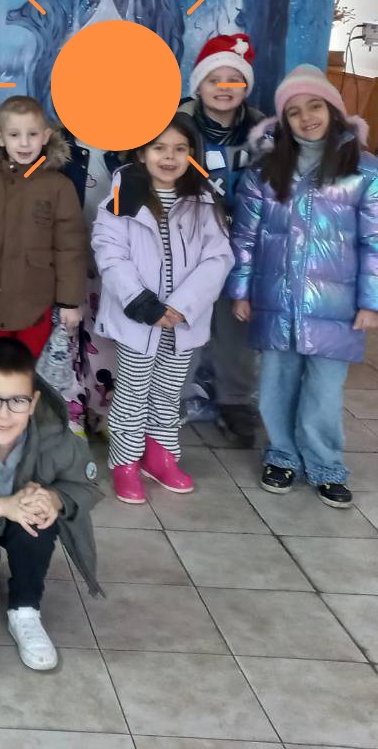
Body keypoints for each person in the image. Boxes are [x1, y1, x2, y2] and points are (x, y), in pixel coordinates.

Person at [229, 64, 378, 509]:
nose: (306, 117)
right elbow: (245, 238)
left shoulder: (367, 173)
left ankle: (325, 464)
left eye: (315, 107)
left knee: (324, 390)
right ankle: (282, 455)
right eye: (294, 111)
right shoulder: (264, 173)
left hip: (337, 305)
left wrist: (374, 302)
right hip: (276, 299)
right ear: (283, 121)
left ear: (333, 111)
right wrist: (241, 291)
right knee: (276, 383)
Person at [0, 336, 103, 672]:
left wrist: (55, 498)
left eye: (18, 401)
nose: (4, 414)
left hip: (25, 521)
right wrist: (2, 506)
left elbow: (87, 486)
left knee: (38, 510)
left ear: (34, 401)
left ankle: (25, 608)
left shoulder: (55, 434)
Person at [92, 113, 234, 504]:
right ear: (141, 153)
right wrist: (144, 303)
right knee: (132, 393)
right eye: (159, 148)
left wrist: (182, 306)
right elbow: (110, 253)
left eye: (180, 149)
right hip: (140, 321)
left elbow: (218, 258)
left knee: (170, 392)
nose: (169, 157)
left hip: (182, 323)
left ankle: (161, 456)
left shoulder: (204, 202)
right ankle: (125, 462)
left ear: (192, 155)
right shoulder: (121, 200)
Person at [178, 33, 267, 447]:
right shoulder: (180, 124)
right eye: (215, 80)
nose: (224, 88)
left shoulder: (263, 131)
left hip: (242, 239)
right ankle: (172, 395)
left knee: (236, 320)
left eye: (234, 80)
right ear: (199, 85)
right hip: (191, 237)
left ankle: (235, 400)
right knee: (185, 315)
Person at [0, 95, 88, 355]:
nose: (24, 143)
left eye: (32, 134)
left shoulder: (59, 186)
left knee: (29, 370)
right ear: (1, 138)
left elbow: (70, 248)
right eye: (15, 135)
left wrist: (70, 301)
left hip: (35, 303)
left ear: (45, 136)